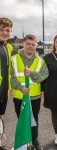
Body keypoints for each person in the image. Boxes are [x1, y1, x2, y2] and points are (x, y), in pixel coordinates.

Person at [10, 35, 49, 150]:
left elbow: (44, 75)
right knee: (22, 120)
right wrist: (20, 87)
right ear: (23, 44)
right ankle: (23, 143)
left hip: (34, 97)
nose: (30, 46)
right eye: (28, 44)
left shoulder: (41, 61)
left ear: (36, 45)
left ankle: (35, 141)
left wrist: (32, 73)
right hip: (19, 96)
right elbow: (11, 78)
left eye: (33, 44)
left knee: (34, 120)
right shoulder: (14, 59)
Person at [0, 17, 13, 150]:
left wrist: (8, 89)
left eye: (8, 30)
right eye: (2, 30)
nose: (5, 32)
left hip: (3, 91)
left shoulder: (8, 47)